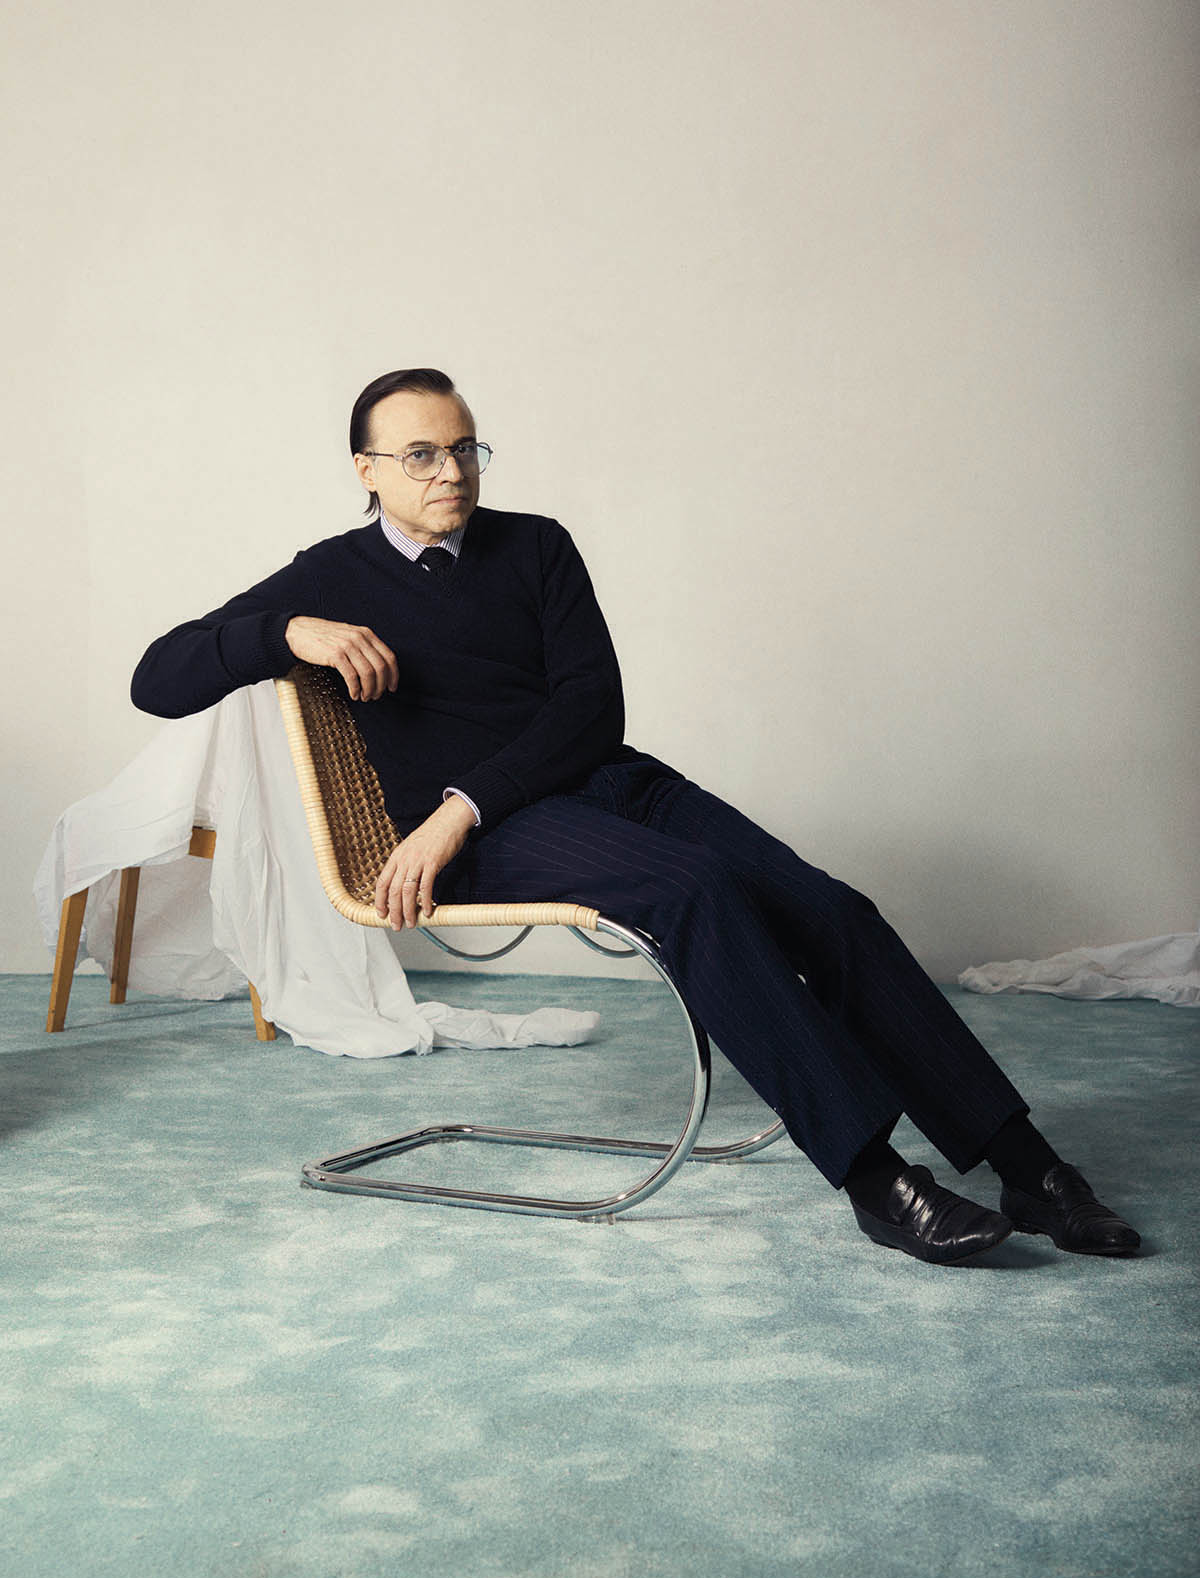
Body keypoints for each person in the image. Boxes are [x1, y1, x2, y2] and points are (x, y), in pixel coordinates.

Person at [132, 367, 1141, 1266]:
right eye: (422, 453)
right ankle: (879, 1180)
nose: (452, 471)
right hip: (481, 839)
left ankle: (1027, 1166)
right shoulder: (329, 575)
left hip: (602, 784)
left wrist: (467, 799)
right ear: (367, 468)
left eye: (466, 447)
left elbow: (592, 706)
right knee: (693, 890)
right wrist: (287, 630)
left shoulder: (536, 546)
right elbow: (157, 677)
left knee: (832, 910)